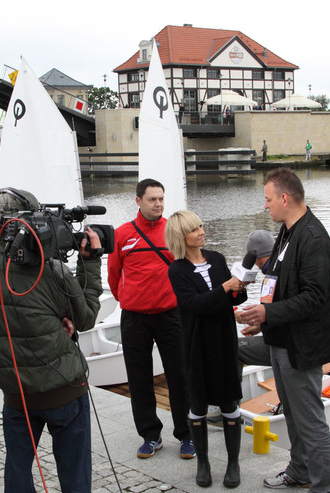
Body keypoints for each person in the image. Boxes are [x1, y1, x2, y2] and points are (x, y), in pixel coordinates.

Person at [0, 188, 103, 492]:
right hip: (63, 391)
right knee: (74, 476)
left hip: (16, 392)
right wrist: (91, 261)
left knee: (17, 470)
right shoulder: (51, 271)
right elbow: (84, 319)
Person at [239, 167, 330, 492]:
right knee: (295, 415)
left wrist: (267, 312)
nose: (266, 206)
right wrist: (262, 318)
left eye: (269, 200)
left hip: (303, 346)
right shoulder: (288, 231)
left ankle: (324, 486)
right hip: (282, 340)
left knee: (310, 420)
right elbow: (279, 283)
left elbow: (315, 297)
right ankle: (299, 471)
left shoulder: (312, 238)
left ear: (285, 198)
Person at [107, 179, 193, 459]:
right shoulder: (122, 234)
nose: (158, 204)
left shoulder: (174, 231)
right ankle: (150, 435)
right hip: (135, 319)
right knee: (139, 378)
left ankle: (186, 435)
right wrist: (129, 300)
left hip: (171, 316)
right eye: (152, 199)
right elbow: (113, 274)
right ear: (138, 201)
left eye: (161, 199)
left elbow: (189, 270)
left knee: (179, 375)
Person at [166, 210, 248, 488]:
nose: (201, 231)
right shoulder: (176, 270)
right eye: (194, 229)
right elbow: (196, 305)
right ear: (181, 236)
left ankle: (233, 463)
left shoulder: (217, 258)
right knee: (198, 403)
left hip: (224, 339)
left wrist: (239, 287)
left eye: (201, 225)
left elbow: (233, 299)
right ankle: (203, 462)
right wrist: (225, 288)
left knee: (228, 401)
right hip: (196, 344)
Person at [235, 229, 276, 367]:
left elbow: (281, 311)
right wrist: (260, 326)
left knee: (232, 348)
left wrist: (250, 317)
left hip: (283, 346)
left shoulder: (274, 276)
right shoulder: (278, 270)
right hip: (287, 340)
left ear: (255, 256)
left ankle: (233, 389)